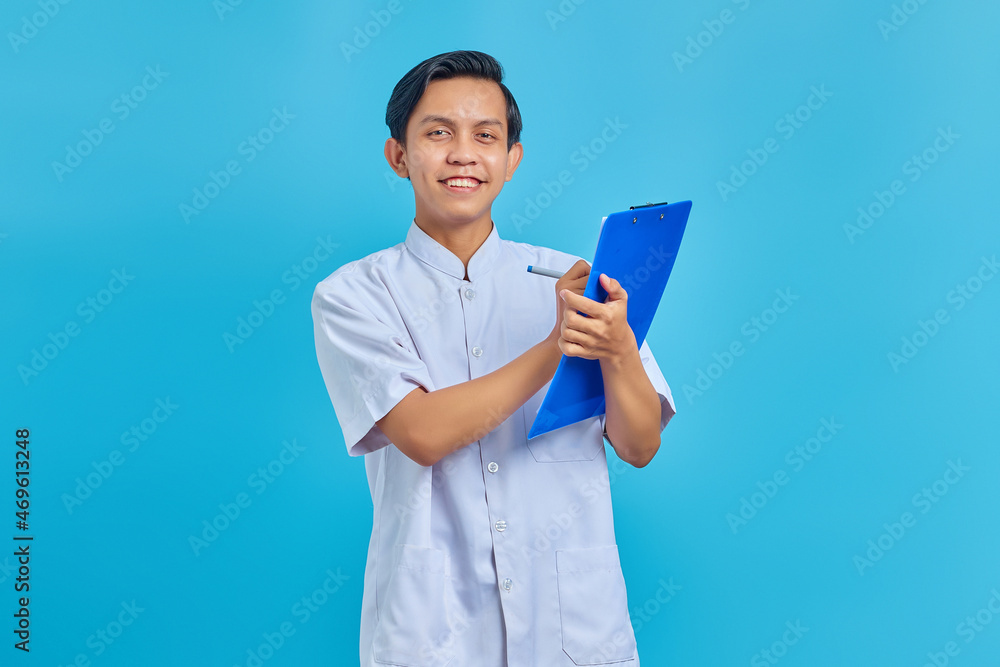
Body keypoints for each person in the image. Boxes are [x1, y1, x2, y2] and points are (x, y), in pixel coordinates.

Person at [311, 50, 676, 667]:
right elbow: (423, 433)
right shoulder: (352, 295)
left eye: (486, 136)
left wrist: (616, 351)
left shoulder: (577, 280)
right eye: (437, 133)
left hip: (573, 629)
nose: (462, 154)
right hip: (434, 632)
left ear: (512, 160)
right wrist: (555, 346)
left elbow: (640, 447)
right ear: (399, 156)